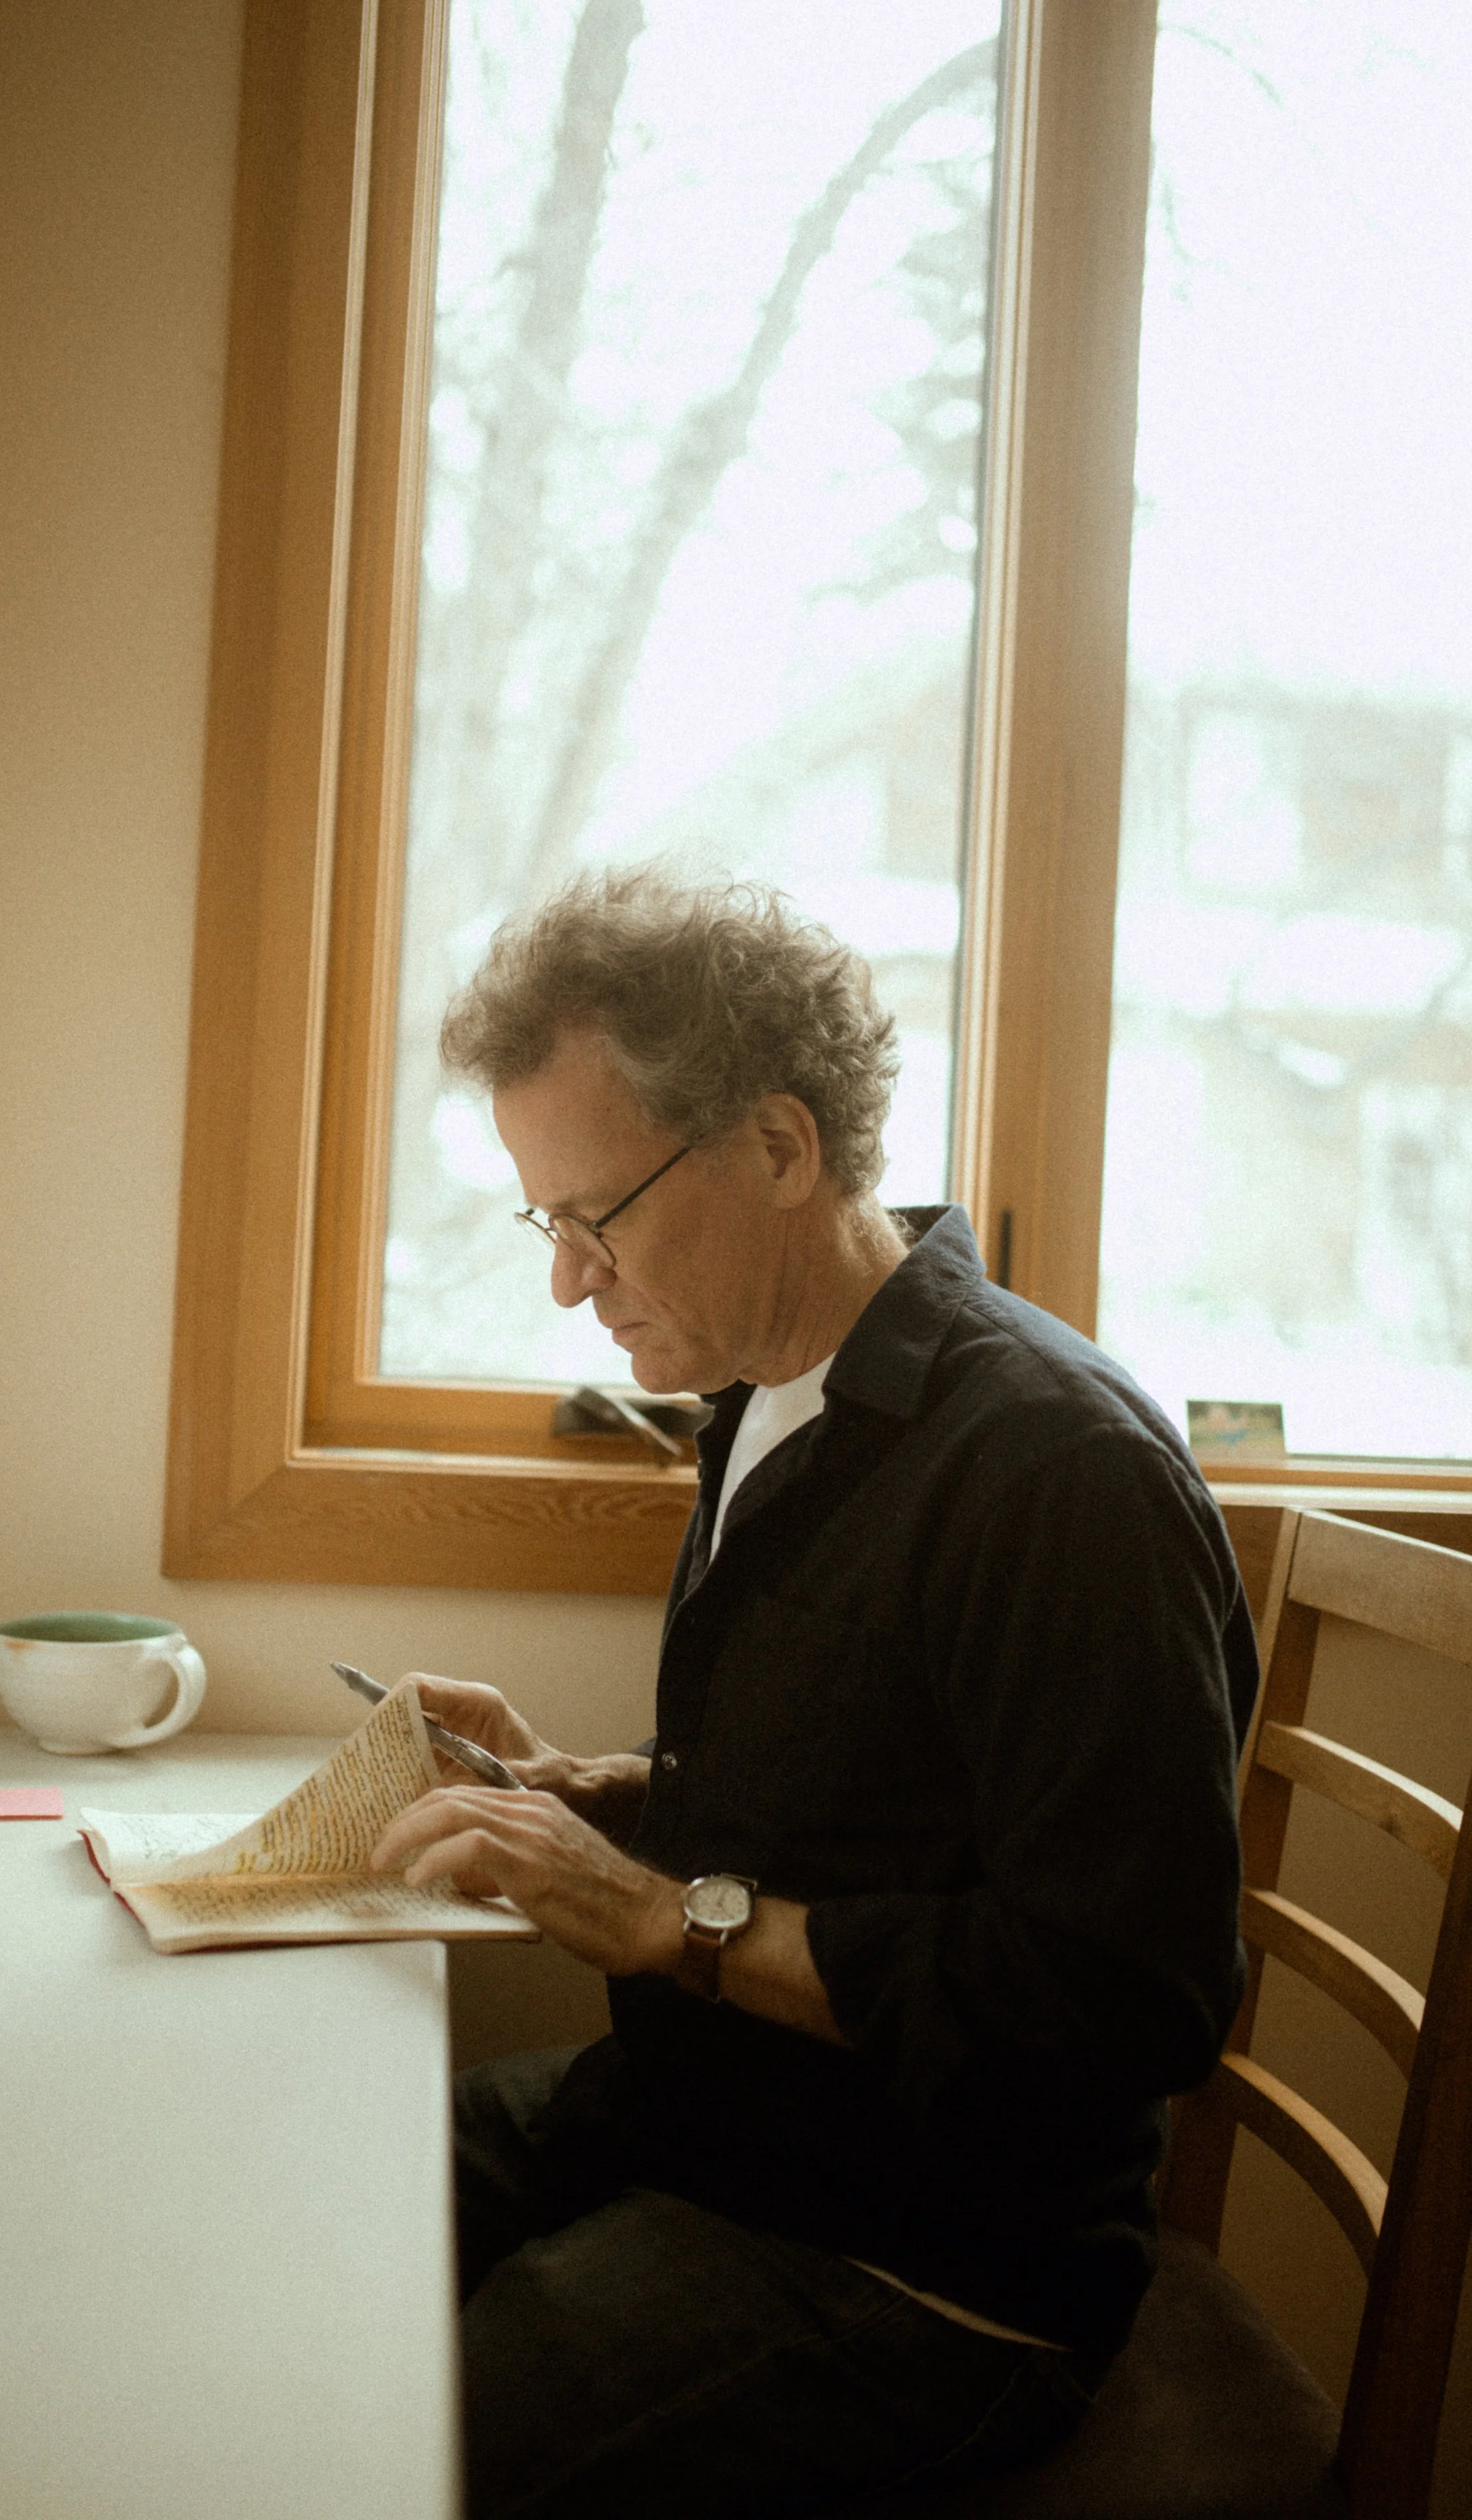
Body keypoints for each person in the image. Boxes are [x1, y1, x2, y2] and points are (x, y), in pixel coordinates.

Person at [370, 870, 1256, 2520]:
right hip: (712, 2124)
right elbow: (882, 1788)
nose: (567, 1281)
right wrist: (603, 1796)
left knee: (415, 2444)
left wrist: (659, 1922)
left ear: (779, 1149)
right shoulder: (777, 1393)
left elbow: (1122, 1993)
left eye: (598, 1216)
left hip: (929, 2260)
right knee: (313, 2204)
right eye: (540, 1222)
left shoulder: (1057, 1471)